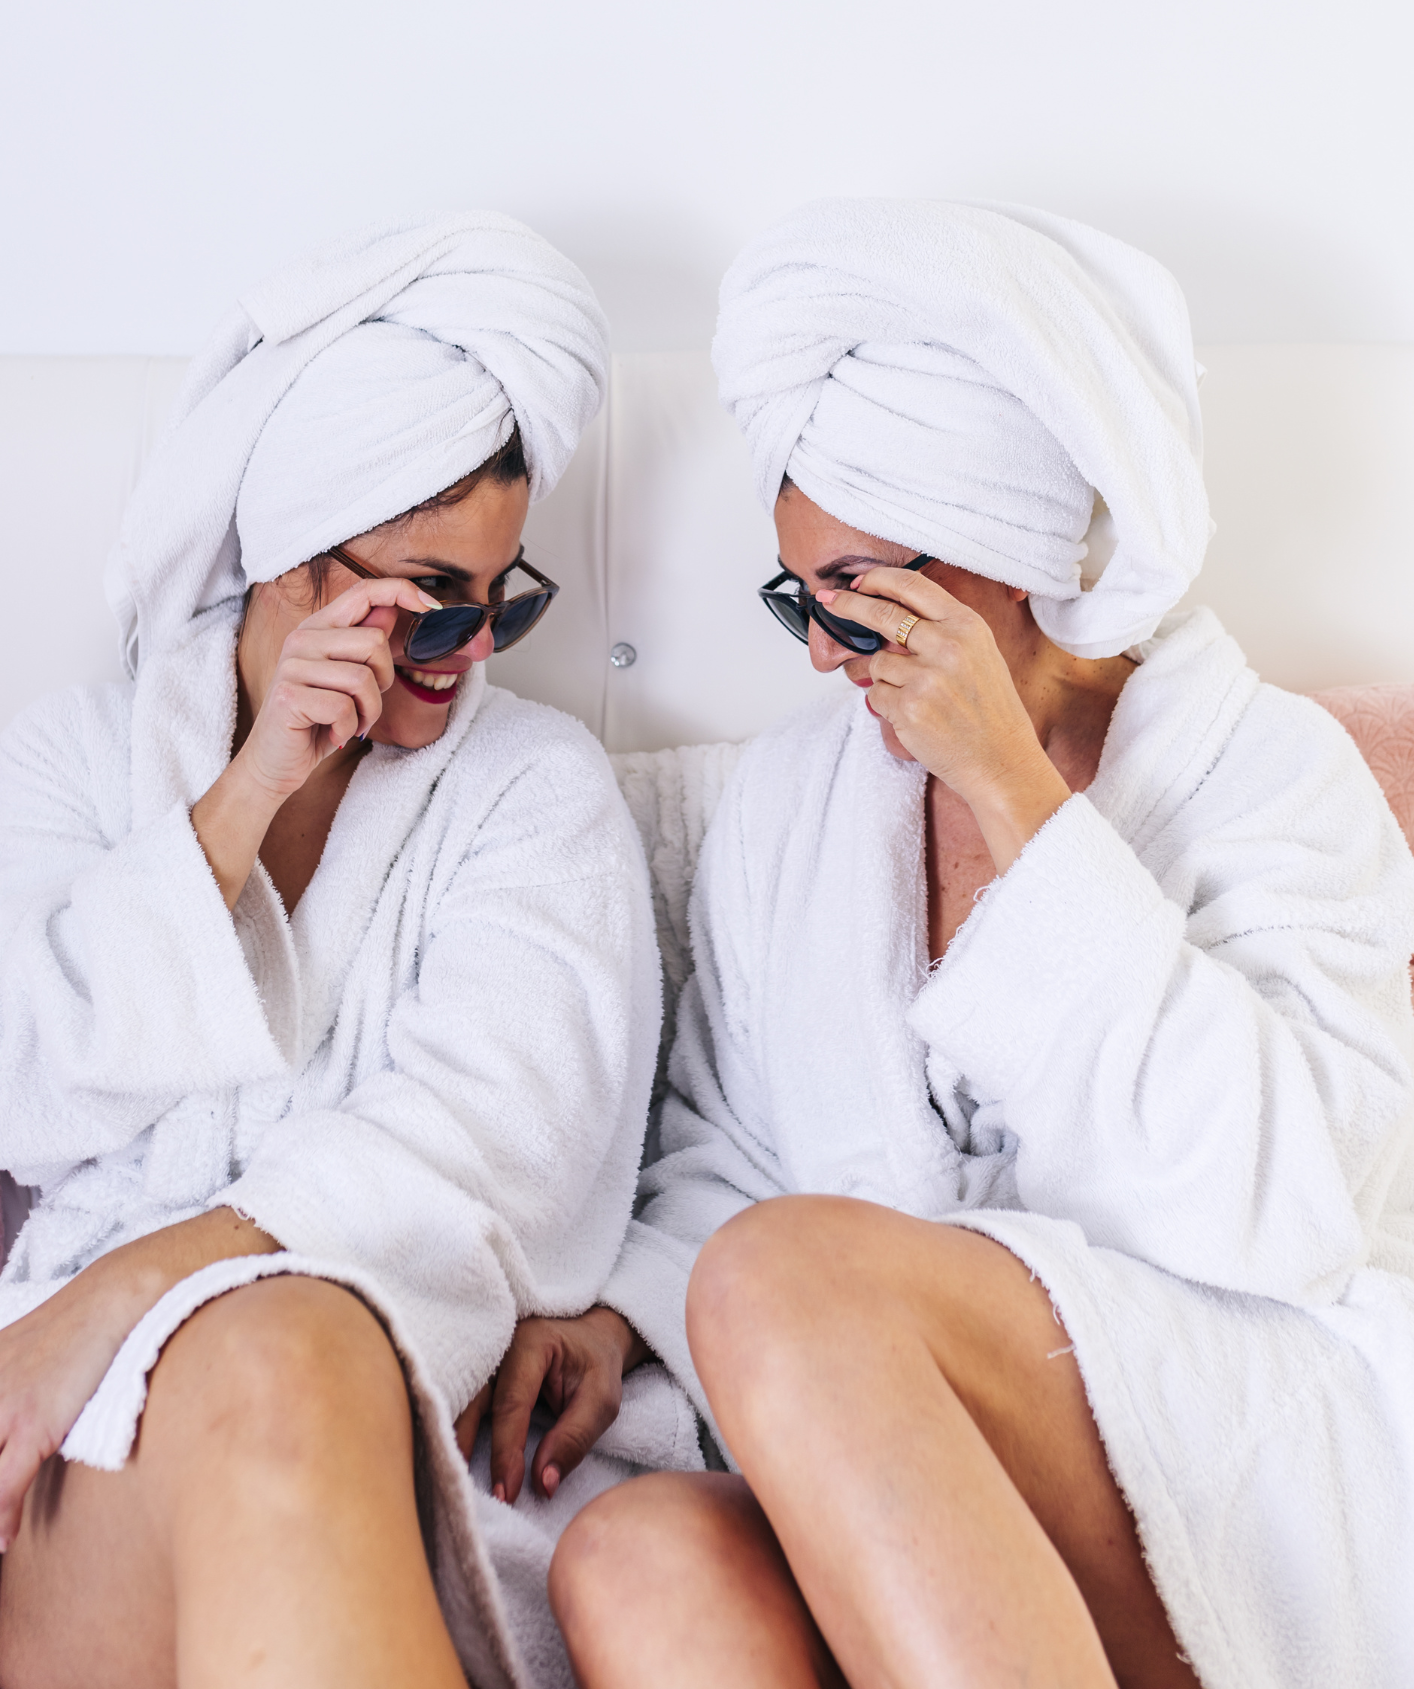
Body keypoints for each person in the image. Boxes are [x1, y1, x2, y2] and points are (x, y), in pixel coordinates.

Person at [539, 202, 1414, 1688]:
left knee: (781, 1276)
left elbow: (1296, 1207)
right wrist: (616, 1308)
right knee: (638, 1556)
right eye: (793, 600)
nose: (817, 657)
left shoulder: (1265, 774)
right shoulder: (794, 801)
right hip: (905, 1452)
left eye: (856, 606)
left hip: (1226, 1415)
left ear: (998, 566)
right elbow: (730, 1145)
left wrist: (1018, 800)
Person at [0, 213, 699, 1689]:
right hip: (84, 1433)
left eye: (503, 596)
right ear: (295, 574)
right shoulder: (69, 763)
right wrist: (248, 793)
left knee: (289, 1344)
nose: (475, 648)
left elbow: (503, 1143)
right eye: (433, 599)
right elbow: (23, 1087)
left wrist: (131, 1290)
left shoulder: (532, 788)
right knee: (271, 1351)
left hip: (397, 1417)